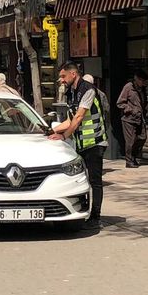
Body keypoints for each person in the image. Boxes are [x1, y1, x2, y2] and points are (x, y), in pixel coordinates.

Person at [49, 62, 108, 230]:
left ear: (73, 74)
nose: (61, 80)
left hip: (95, 142)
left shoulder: (87, 89)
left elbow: (79, 117)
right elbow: (70, 119)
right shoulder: (72, 92)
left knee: (95, 181)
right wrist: (49, 131)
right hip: (81, 144)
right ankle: (85, 211)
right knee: (84, 180)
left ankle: (96, 218)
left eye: (63, 76)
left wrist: (63, 135)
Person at [116, 69, 148, 168]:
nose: (143, 83)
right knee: (130, 141)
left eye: (144, 81)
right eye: (141, 81)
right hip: (129, 119)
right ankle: (129, 160)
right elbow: (120, 103)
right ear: (136, 79)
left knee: (143, 137)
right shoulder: (128, 87)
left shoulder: (143, 89)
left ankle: (133, 156)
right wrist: (130, 109)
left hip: (140, 117)